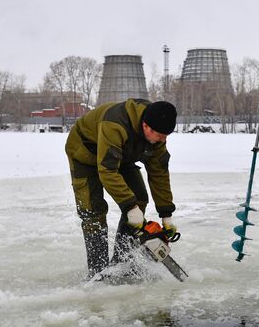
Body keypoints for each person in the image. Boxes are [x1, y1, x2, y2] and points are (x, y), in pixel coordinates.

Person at [65, 98, 178, 278]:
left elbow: (159, 172)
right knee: (92, 211)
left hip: (121, 154)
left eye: (166, 136)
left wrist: (166, 214)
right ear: (145, 126)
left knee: (139, 197)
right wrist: (129, 207)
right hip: (84, 154)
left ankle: (122, 263)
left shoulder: (158, 131)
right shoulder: (114, 124)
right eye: (159, 135)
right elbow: (107, 170)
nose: (162, 140)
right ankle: (98, 271)